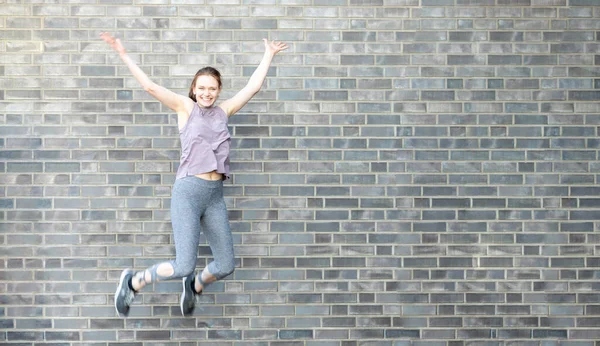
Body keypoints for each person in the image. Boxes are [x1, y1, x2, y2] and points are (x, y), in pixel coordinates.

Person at [100, 32, 288, 317]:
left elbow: (253, 87)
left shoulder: (224, 111)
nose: (207, 93)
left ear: (218, 90)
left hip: (214, 196)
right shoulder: (185, 108)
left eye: (212, 88)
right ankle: (133, 282)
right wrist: (122, 52)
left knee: (225, 265)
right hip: (188, 192)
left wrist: (268, 55)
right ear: (194, 88)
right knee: (183, 264)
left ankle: (196, 286)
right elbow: (149, 87)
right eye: (202, 88)